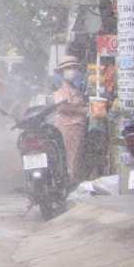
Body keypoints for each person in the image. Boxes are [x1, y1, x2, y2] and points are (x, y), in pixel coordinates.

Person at [49, 54, 90, 182]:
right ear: (62, 72)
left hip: (77, 127)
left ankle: (72, 180)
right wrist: (85, 110)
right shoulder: (61, 90)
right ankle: (70, 182)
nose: (72, 71)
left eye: (74, 67)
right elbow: (62, 108)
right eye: (68, 68)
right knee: (70, 158)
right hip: (68, 127)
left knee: (76, 157)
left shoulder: (74, 88)